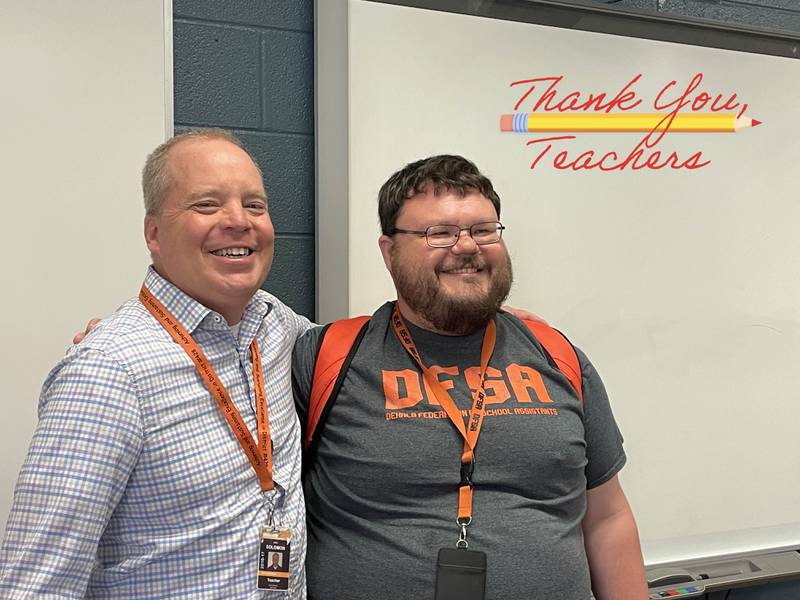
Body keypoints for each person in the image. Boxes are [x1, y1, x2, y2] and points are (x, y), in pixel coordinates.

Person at [292, 155, 649, 599]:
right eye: (438, 233)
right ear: (389, 252)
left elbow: (607, 518)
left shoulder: (557, 354)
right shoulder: (327, 358)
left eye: (483, 230)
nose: (467, 247)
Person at [0, 130, 311, 598]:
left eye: (254, 205)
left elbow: (366, 351)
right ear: (153, 233)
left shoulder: (276, 326)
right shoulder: (107, 370)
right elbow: (36, 585)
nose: (239, 221)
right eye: (206, 205)